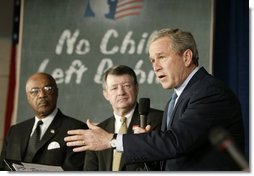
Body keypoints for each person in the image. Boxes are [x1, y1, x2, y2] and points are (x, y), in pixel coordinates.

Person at [64, 28, 245, 171]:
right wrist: (147, 146)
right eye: (152, 60)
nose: (155, 67)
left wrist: (111, 140)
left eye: (161, 57)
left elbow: (176, 142)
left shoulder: (209, 92)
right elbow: (171, 159)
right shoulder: (174, 100)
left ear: (187, 57)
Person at [0, 72, 88, 171]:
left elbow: (73, 171)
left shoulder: (76, 129)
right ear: (28, 97)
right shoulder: (15, 131)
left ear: (56, 93)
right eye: (34, 91)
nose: (42, 95)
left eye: (48, 89)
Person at [83, 65, 163, 171]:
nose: (121, 92)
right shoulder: (99, 131)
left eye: (126, 86)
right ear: (106, 94)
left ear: (136, 88)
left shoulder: (158, 119)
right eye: (114, 88)